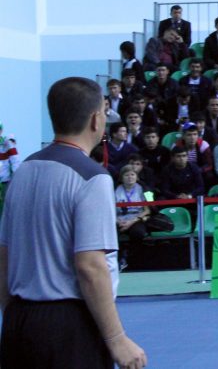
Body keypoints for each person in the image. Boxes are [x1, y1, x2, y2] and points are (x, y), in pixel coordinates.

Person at [0, 77, 147, 369]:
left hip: (19, 319)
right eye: (105, 113)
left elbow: (4, 255)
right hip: (69, 325)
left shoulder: (24, 171)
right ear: (96, 120)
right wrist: (117, 338)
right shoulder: (92, 177)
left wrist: (12, 315)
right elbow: (90, 266)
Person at [114, 165, 150, 272]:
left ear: (137, 177)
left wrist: (131, 222)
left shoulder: (144, 189)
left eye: (132, 175)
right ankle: (117, 259)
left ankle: (129, 257)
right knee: (111, 233)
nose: (130, 177)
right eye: (126, 175)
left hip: (136, 219)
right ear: (121, 178)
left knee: (138, 233)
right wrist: (118, 221)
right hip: (119, 219)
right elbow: (110, 209)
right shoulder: (116, 190)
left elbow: (147, 210)